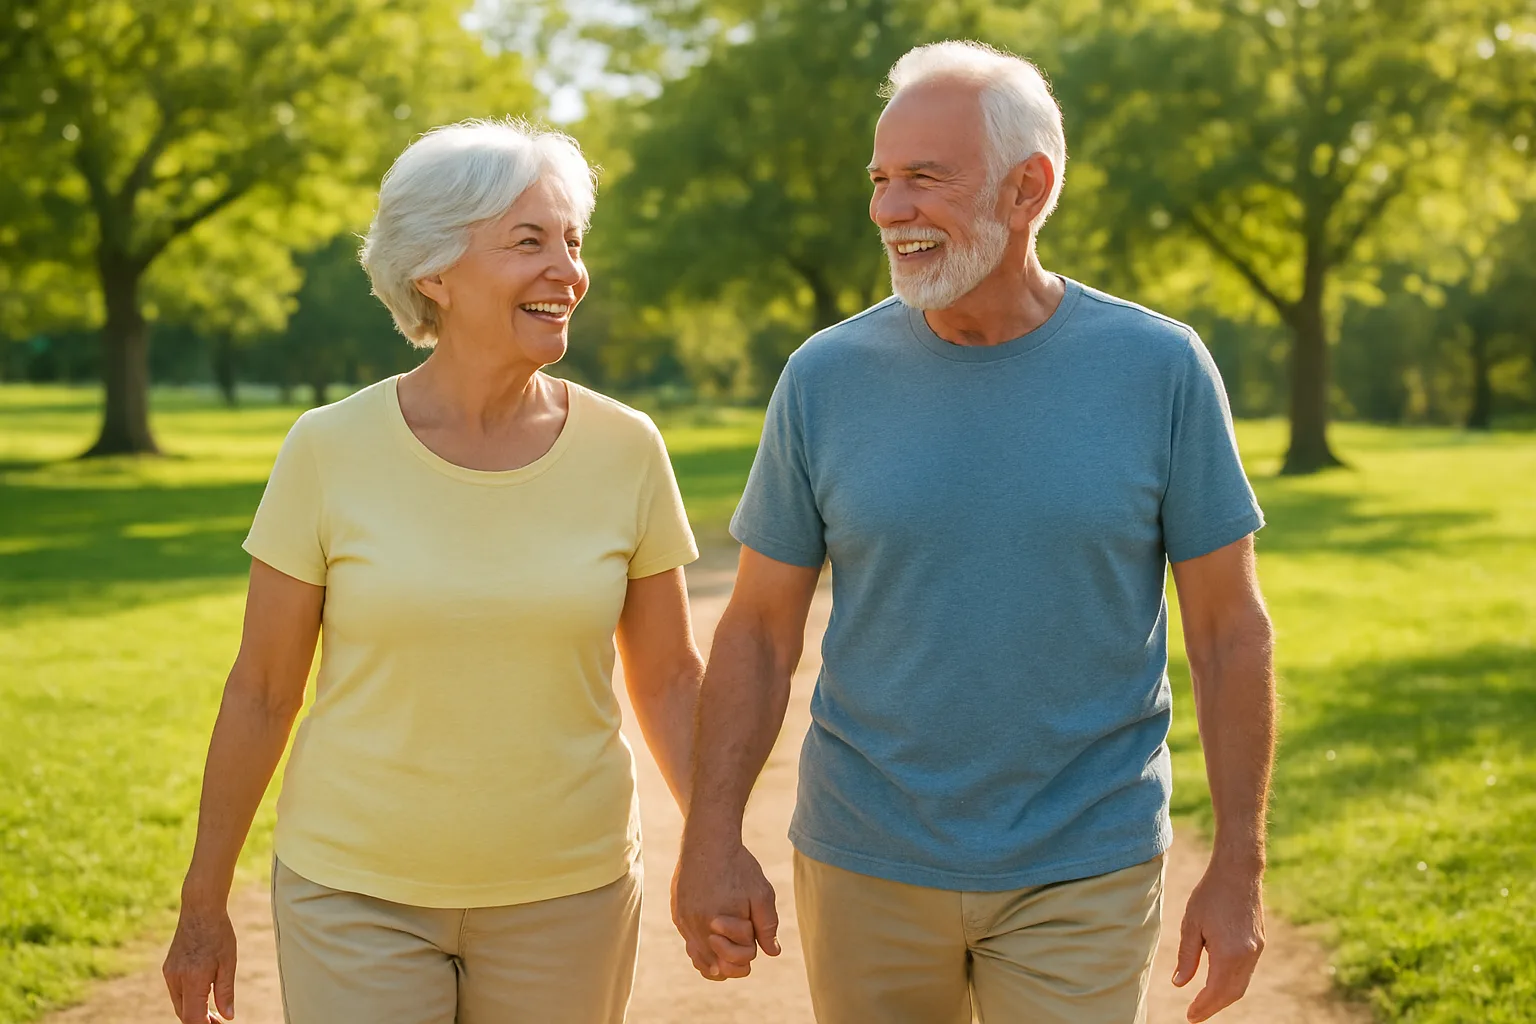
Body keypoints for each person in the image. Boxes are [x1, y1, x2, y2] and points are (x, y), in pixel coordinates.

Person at [672, 41, 1275, 1024]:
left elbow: (1228, 630)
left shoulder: (1160, 369)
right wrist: (711, 837)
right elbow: (756, 631)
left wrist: (1241, 866)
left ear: (1027, 188)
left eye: (923, 178)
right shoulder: (823, 378)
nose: (886, 209)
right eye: (878, 180)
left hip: (1086, 858)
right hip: (863, 853)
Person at [163, 119, 703, 1024]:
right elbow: (261, 689)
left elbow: (673, 676)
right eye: (527, 241)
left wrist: (716, 842)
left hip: (569, 893)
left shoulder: (627, 448)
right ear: (433, 272)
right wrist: (202, 902)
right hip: (353, 893)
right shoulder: (327, 450)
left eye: (572, 242)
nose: (566, 270)